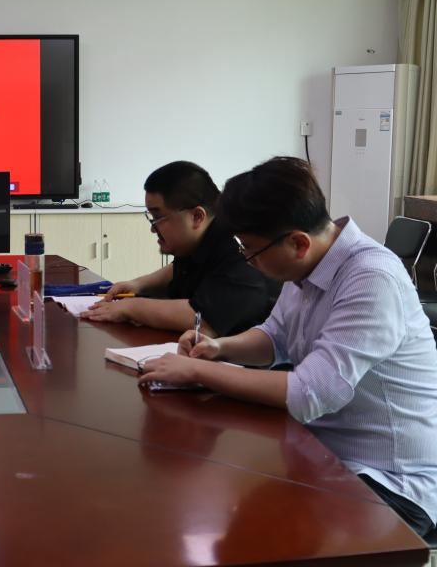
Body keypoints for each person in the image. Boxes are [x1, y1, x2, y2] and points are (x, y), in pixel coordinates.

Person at [138, 156, 437, 536]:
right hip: (321, 453)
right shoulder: (309, 264)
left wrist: (199, 370)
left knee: (261, 534)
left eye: (251, 251)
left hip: (392, 480)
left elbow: (310, 392)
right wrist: (220, 348)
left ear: (297, 243)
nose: (248, 261)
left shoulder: (371, 280)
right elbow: (276, 336)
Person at [82, 161, 276, 337]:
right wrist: (139, 284)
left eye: (158, 218)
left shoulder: (241, 251)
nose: (153, 228)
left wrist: (131, 307)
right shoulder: (198, 241)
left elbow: (203, 320)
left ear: (197, 216)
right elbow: (184, 266)